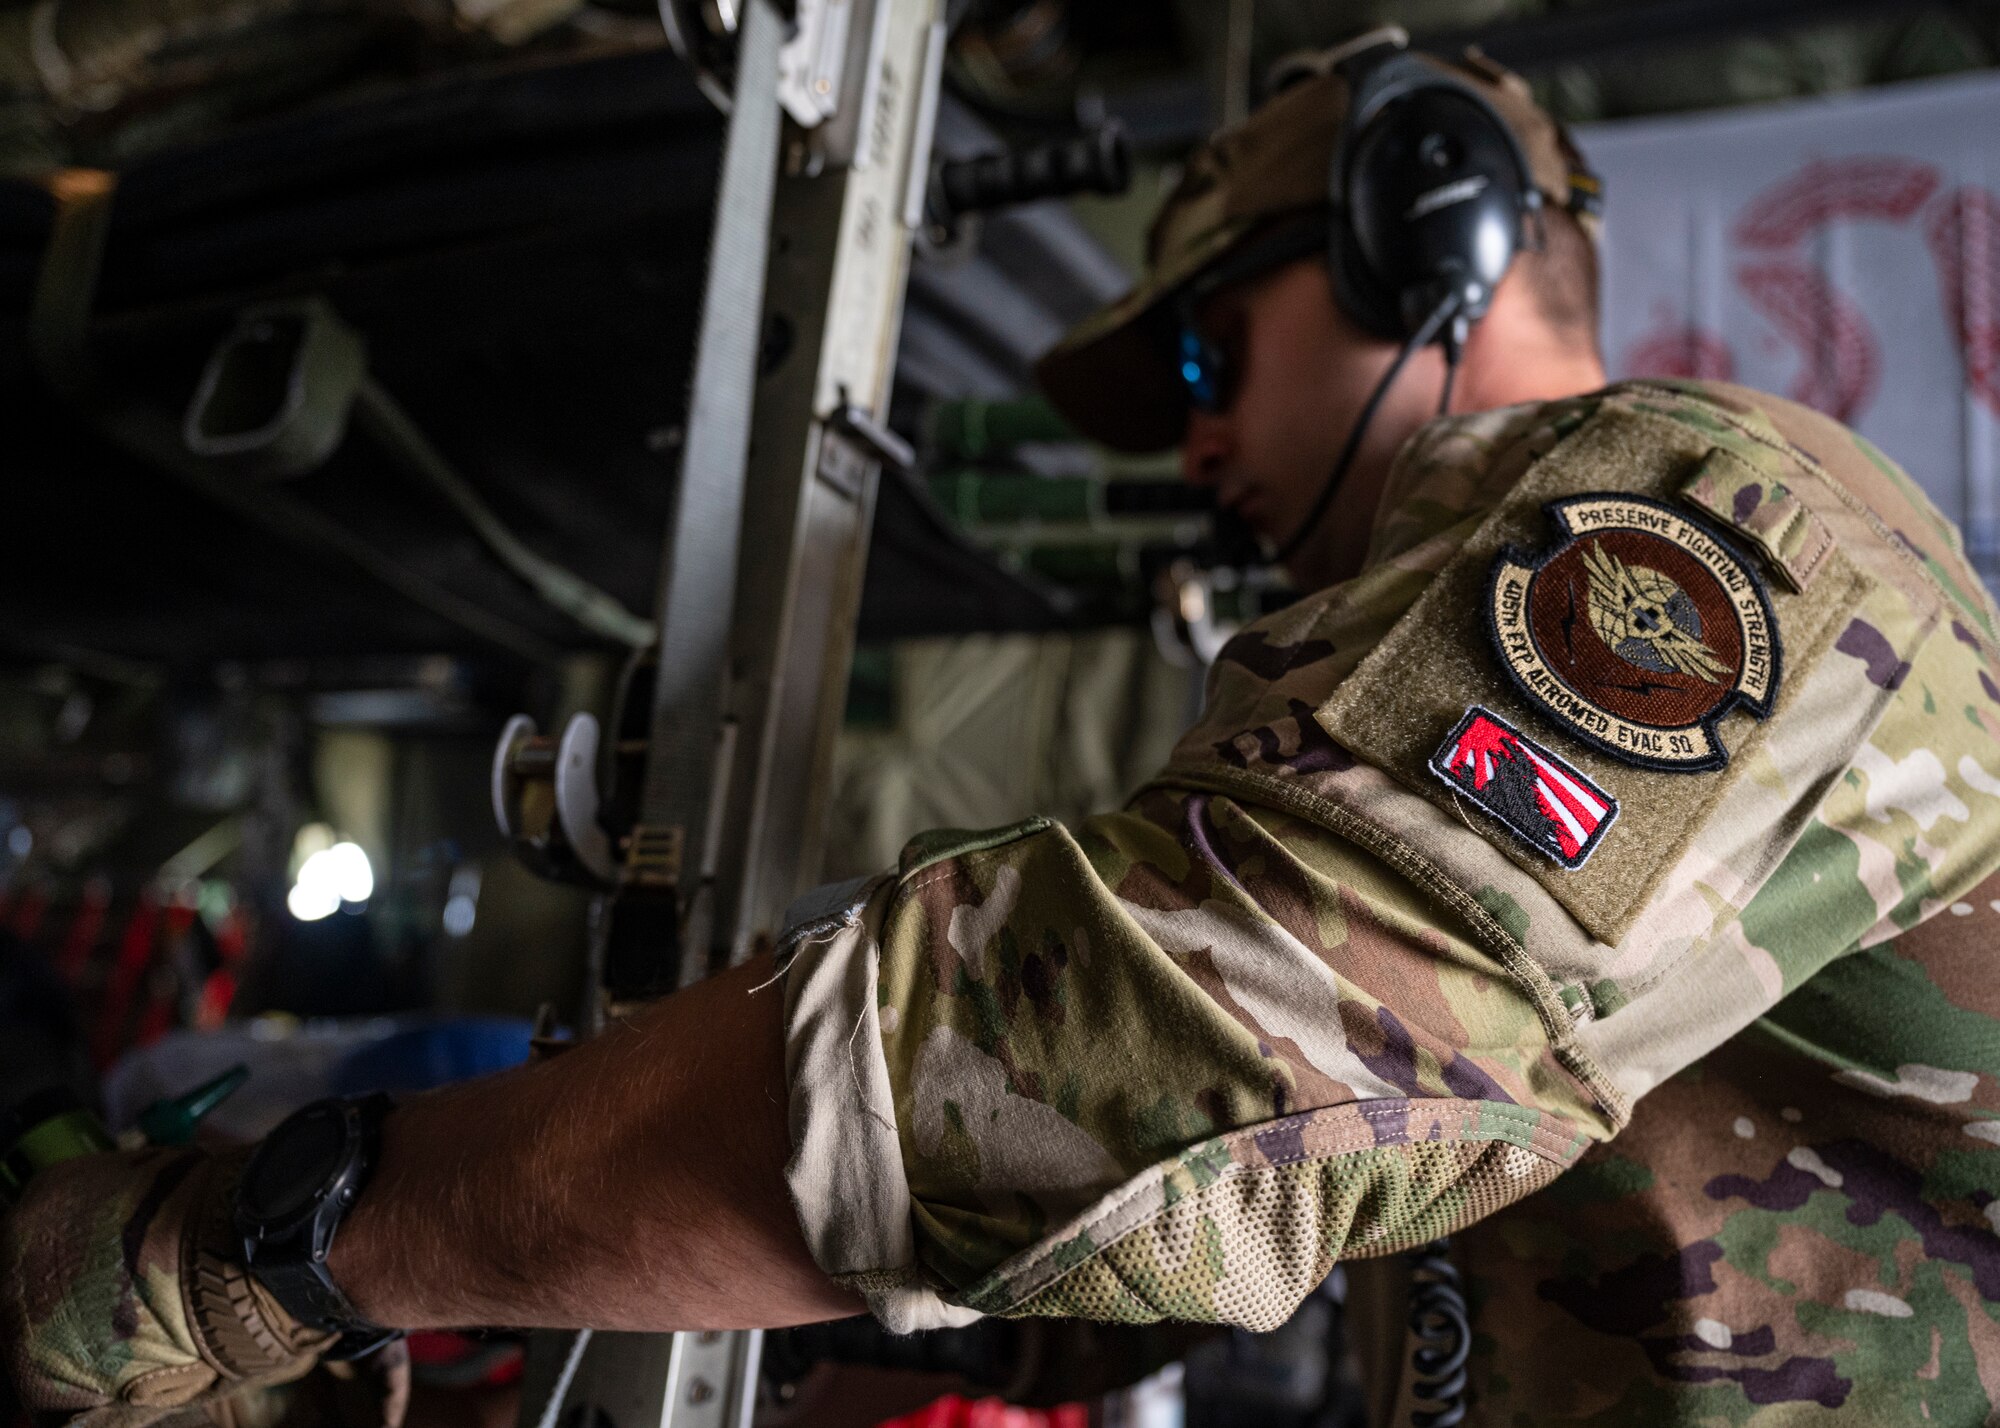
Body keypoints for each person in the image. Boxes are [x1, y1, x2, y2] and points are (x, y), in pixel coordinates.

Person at [8, 27, 1999, 1428]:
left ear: (1433, 231)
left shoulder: (1728, 524)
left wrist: (242, 1248)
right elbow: (1289, 1191)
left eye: (1211, 347)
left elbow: (1161, 1061)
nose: (1202, 438)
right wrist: (713, 1295)